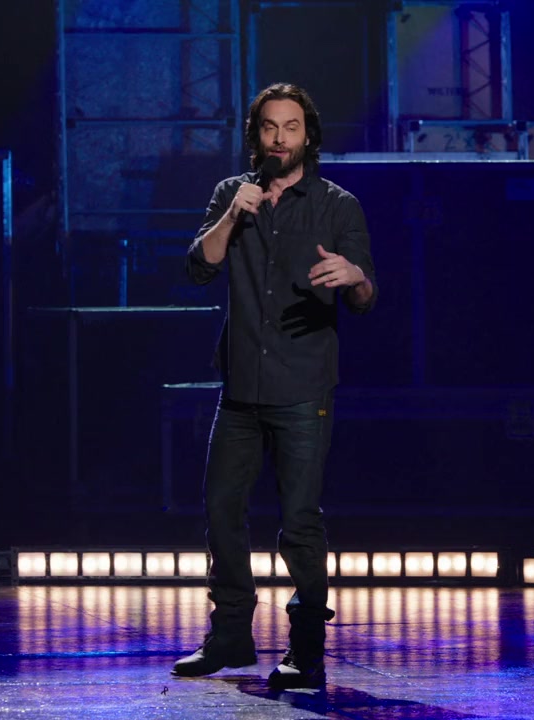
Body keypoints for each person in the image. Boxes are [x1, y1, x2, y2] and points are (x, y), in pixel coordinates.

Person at [173, 83, 377, 690]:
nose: (279, 138)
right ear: (255, 134)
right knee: (221, 508)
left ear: (308, 135)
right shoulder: (230, 195)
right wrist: (233, 215)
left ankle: (306, 647)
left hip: (303, 386)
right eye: (269, 127)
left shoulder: (338, 206)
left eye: (291, 127)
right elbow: (198, 266)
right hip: (240, 385)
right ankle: (231, 634)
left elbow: (366, 297)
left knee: (299, 522)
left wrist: (354, 275)